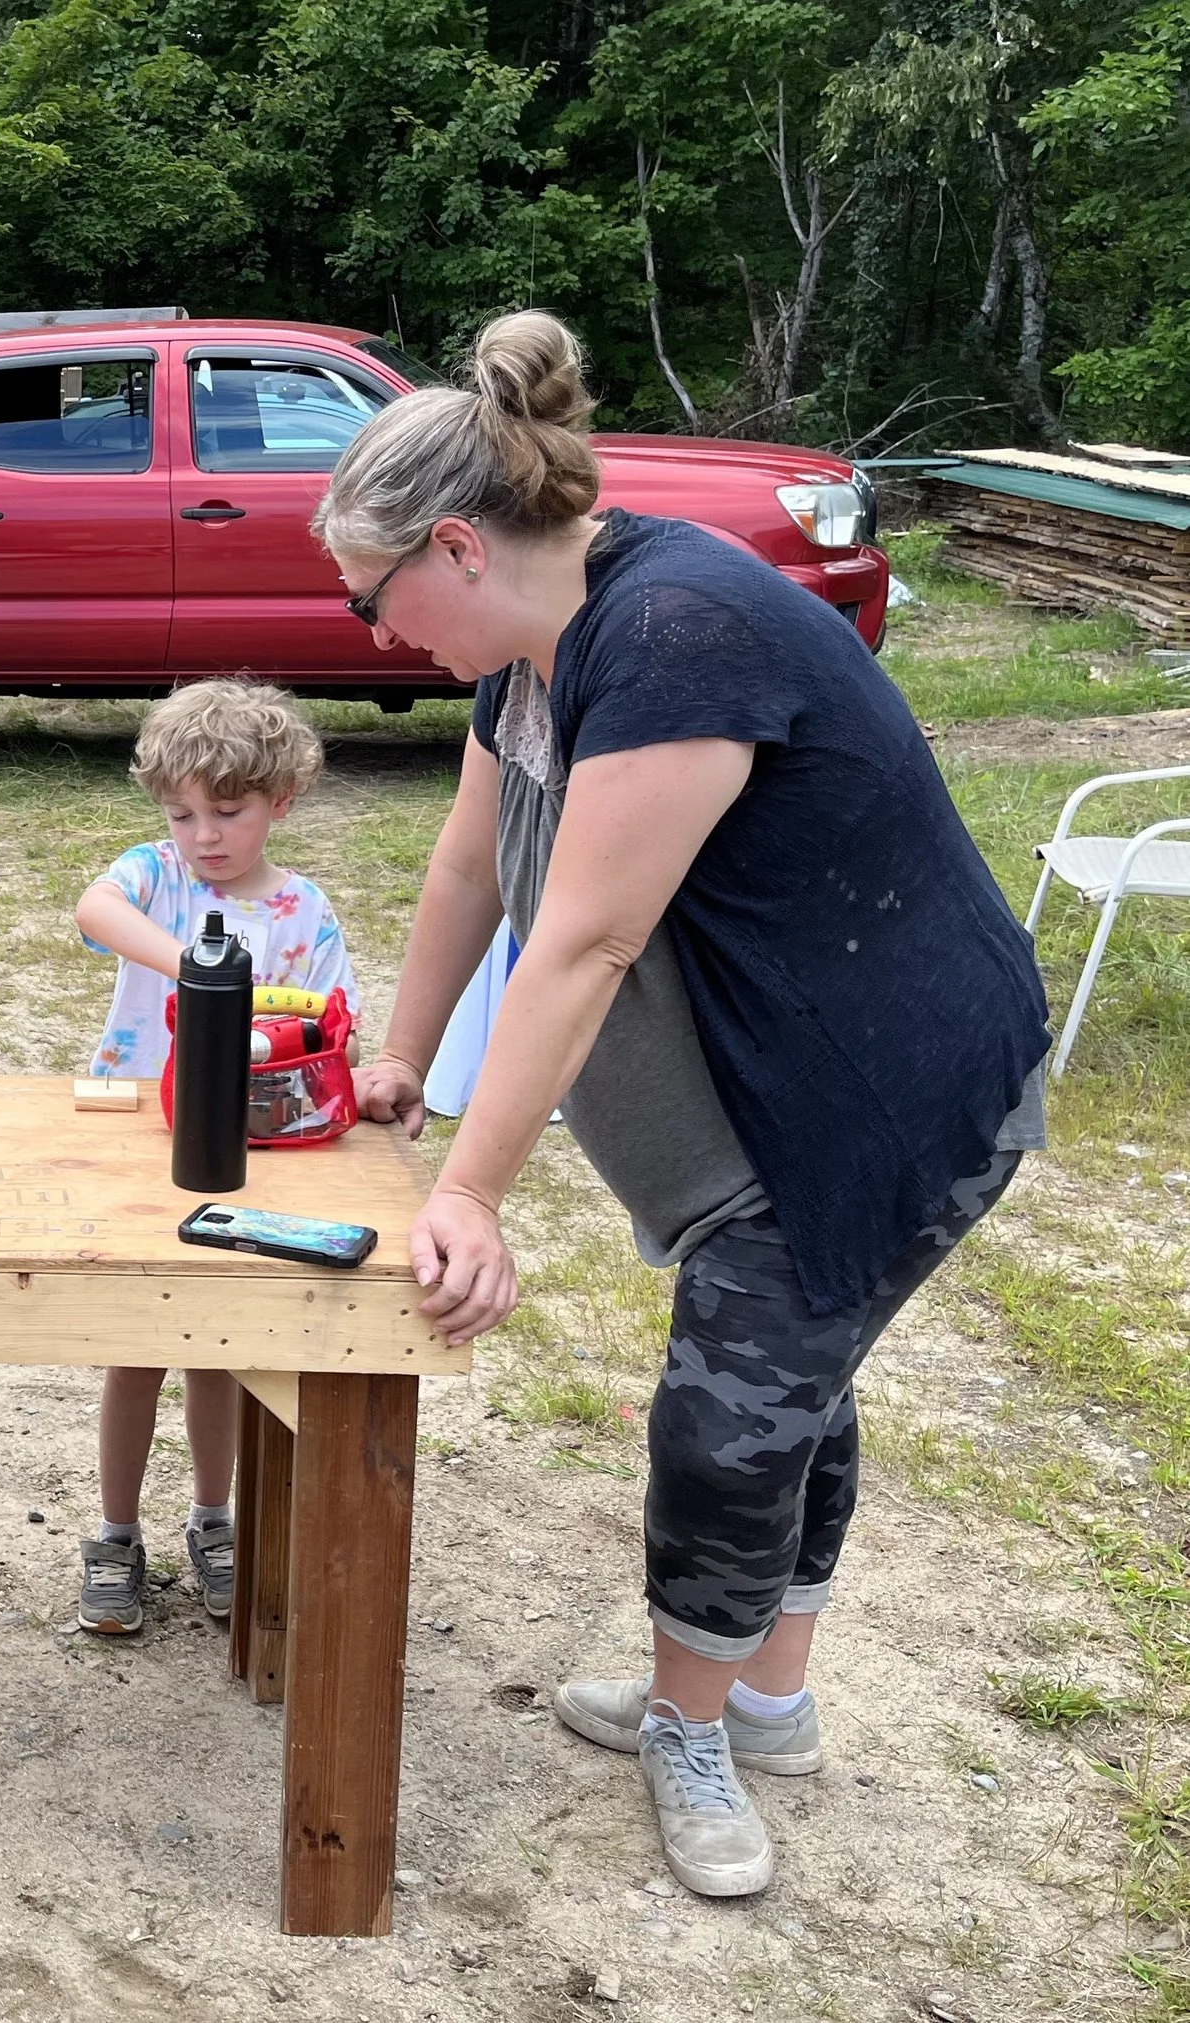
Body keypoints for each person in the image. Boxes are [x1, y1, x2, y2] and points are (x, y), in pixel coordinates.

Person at [313, 311, 1048, 1897]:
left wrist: (470, 1191)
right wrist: (402, 1054)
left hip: (884, 1092)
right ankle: (761, 1699)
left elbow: (586, 937)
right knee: (794, 1386)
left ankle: (694, 1720)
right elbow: (470, 863)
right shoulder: (536, 646)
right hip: (804, 1073)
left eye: (374, 596)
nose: (371, 631)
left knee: (733, 1420)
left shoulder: (672, 637)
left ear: (458, 544)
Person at [71, 679, 359, 1635]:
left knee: (217, 1353)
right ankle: (115, 1534)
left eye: (227, 812)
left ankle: (213, 1519)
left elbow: (331, 1033)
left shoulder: (305, 913)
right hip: (141, 1149)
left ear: (281, 800)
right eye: (181, 813)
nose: (203, 835)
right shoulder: (157, 878)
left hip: (249, 1152)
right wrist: (200, 970)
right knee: (134, 1354)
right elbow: (94, 908)